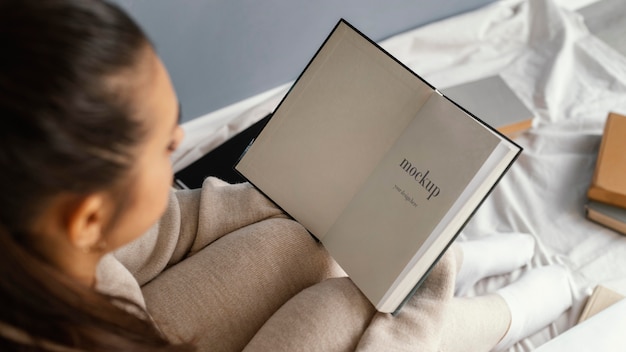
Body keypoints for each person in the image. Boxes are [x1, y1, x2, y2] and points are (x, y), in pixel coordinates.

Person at [0, 0, 573, 351]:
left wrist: (293, 201)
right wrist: (419, 309)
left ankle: (428, 267)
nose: (179, 145)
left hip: (134, 320)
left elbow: (164, 231)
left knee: (291, 245)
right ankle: (505, 314)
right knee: (342, 311)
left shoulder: (37, 240)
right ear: (88, 218)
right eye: (163, 144)